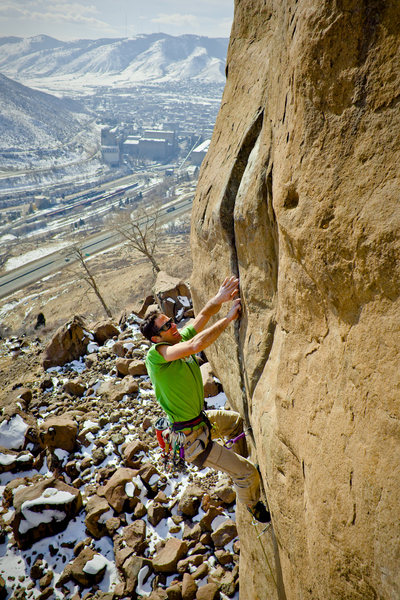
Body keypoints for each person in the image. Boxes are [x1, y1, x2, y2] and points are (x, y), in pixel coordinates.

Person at [140, 276, 270, 523]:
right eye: (166, 327)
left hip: (200, 420)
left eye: (170, 321)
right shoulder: (158, 355)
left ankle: (236, 466)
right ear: (156, 338)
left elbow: (199, 320)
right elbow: (196, 344)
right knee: (249, 474)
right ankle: (250, 499)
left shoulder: (175, 338)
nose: (173, 326)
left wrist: (220, 298)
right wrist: (229, 318)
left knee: (235, 423)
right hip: (191, 439)